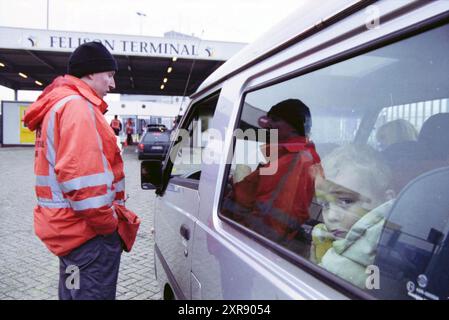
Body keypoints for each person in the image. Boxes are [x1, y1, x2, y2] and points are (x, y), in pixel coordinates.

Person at [23, 41, 140, 300]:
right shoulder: (78, 108)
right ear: (89, 73)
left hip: (67, 233)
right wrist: (109, 227)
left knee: (73, 290)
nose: (112, 84)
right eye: (109, 75)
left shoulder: (57, 106)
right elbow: (84, 183)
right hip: (89, 235)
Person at [222, 99, 322, 251]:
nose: (268, 124)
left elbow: (270, 224)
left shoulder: (294, 161)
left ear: (293, 127)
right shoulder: (290, 157)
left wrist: (238, 185)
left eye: (275, 120)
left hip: (250, 245)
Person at [311, 144, 393, 288]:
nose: (331, 216)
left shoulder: (377, 252)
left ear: (386, 200)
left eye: (346, 201)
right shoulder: (326, 236)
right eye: (325, 205)